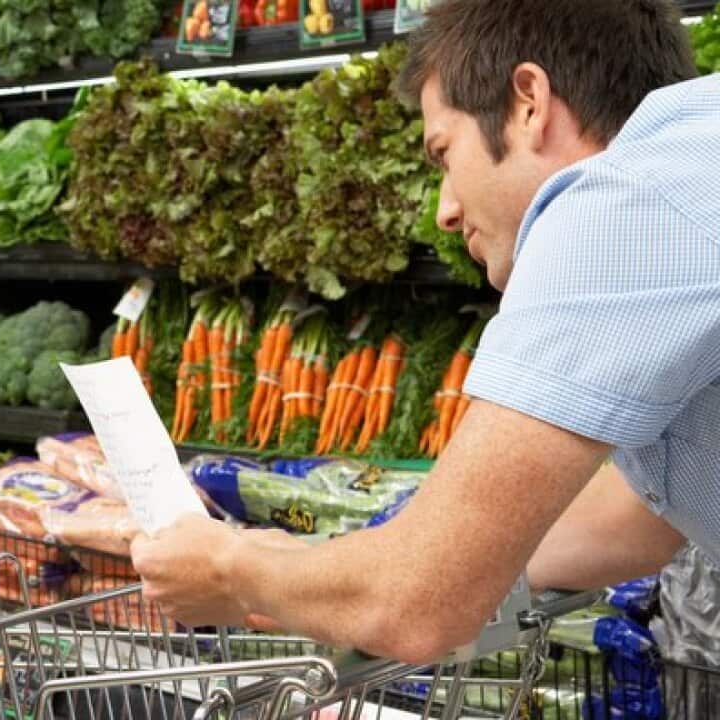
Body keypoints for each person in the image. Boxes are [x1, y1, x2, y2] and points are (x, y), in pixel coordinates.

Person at [130, 0, 718, 665]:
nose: (445, 210)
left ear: (529, 100)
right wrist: (338, 564)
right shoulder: (688, 166)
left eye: (444, 153)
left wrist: (232, 570)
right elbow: (637, 521)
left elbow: (415, 605)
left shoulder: (624, 206)